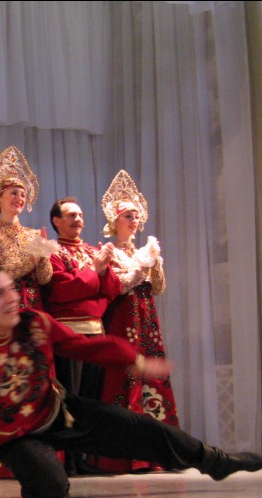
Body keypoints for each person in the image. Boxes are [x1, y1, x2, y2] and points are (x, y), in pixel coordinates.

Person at [0, 263, 262, 498]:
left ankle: (216, 462)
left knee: (147, 430)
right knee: (51, 493)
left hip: (60, 411)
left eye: (11, 289)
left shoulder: (34, 322)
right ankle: (41, 474)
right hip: (14, 437)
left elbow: (84, 346)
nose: (13, 298)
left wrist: (136, 361)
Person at [0, 145, 57, 478]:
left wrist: (44, 255)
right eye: (12, 192)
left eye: (22, 193)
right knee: (2, 380)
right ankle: (0, 463)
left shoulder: (34, 233)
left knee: (36, 382)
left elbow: (45, 277)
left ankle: (41, 457)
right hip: (0, 312)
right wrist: (34, 255)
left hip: (31, 312)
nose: (18, 197)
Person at [87, 169, 179, 474]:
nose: (134, 221)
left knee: (151, 378)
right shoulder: (106, 251)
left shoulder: (142, 251)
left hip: (146, 318)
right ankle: (124, 454)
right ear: (115, 221)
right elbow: (119, 284)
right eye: (128, 216)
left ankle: (158, 452)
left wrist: (156, 263)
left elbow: (157, 288)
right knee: (125, 377)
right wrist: (142, 265)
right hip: (123, 318)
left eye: (136, 216)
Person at [42, 197, 120, 475]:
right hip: (69, 334)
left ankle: (84, 457)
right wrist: (93, 273)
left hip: (96, 331)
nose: (78, 219)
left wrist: (102, 269)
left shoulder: (91, 251)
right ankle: (68, 460)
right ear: (56, 221)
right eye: (71, 215)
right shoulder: (51, 252)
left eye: (81, 214)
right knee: (70, 399)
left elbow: (110, 291)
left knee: (91, 400)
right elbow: (61, 292)